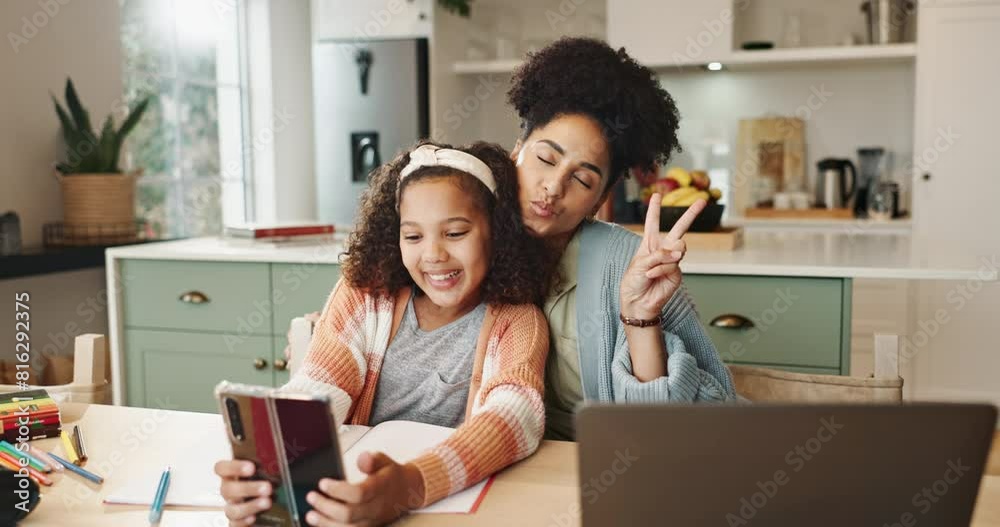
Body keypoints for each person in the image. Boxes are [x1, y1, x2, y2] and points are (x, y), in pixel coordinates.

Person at [214, 141, 552, 526]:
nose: (433, 254)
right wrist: (268, 467)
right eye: (413, 237)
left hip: (443, 507)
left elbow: (515, 418)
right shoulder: (365, 296)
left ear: (497, 233)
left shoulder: (517, 321)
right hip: (354, 501)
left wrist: (411, 485)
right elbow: (319, 384)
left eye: (455, 233)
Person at [506, 37, 737, 440]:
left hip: (608, 470)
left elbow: (698, 425)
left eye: (582, 178)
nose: (554, 187)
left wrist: (640, 316)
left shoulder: (631, 264)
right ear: (516, 152)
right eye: (545, 159)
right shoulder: (466, 242)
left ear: (599, 201)